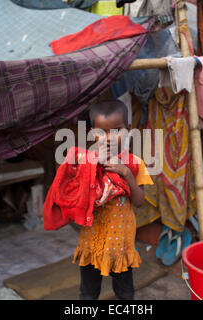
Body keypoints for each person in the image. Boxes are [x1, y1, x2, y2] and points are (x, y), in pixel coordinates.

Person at [72, 100, 154, 300]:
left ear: (127, 129)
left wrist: (127, 174)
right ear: (92, 133)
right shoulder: (86, 161)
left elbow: (139, 201)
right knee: (88, 293)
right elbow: (78, 199)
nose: (108, 138)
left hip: (121, 243)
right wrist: (92, 168)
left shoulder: (134, 164)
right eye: (101, 132)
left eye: (116, 131)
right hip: (92, 241)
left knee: (125, 293)